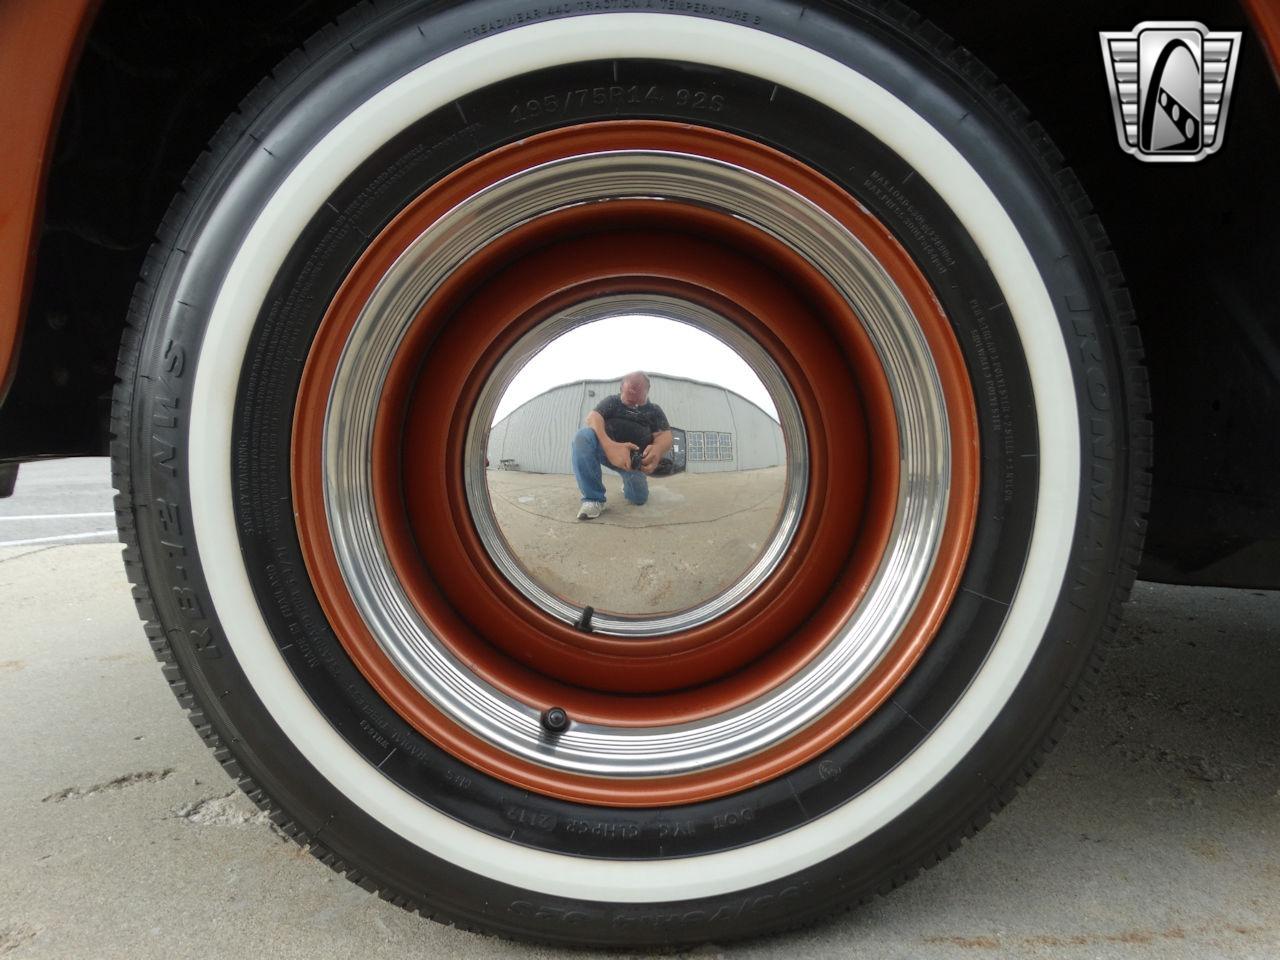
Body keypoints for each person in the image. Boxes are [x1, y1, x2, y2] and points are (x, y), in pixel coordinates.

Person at [571, 371, 673, 520]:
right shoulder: (612, 401)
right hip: (607, 452)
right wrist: (609, 445)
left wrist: (658, 448)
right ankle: (593, 499)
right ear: (621, 388)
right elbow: (593, 417)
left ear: (647, 391)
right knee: (583, 437)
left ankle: (628, 485)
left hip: (635, 462)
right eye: (629, 393)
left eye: (638, 393)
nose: (633, 400)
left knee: (639, 499)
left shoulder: (654, 410)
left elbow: (666, 436)